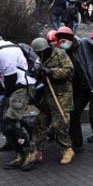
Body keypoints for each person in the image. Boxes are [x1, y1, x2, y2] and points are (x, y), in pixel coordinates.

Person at [0, 25, 38, 170]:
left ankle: (30, 151)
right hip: (13, 88)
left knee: (10, 120)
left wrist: (5, 96)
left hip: (20, 88)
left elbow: (11, 78)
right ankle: (19, 154)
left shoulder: (5, 51)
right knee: (6, 122)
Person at [55, 26, 93, 155]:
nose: (62, 43)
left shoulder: (85, 43)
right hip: (80, 88)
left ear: (70, 38)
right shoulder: (63, 52)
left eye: (63, 40)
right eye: (60, 41)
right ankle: (77, 144)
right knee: (74, 114)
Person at [30, 37, 75, 165]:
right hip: (48, 95)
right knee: (40, 122)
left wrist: (51, 72)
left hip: (62, 94)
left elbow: (69, 70)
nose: (39, 55)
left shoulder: (59, 54)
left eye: (40, 52)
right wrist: (37, 73)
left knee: (59, 123)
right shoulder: (39, 59)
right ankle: (37, 150)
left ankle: (67, 149)